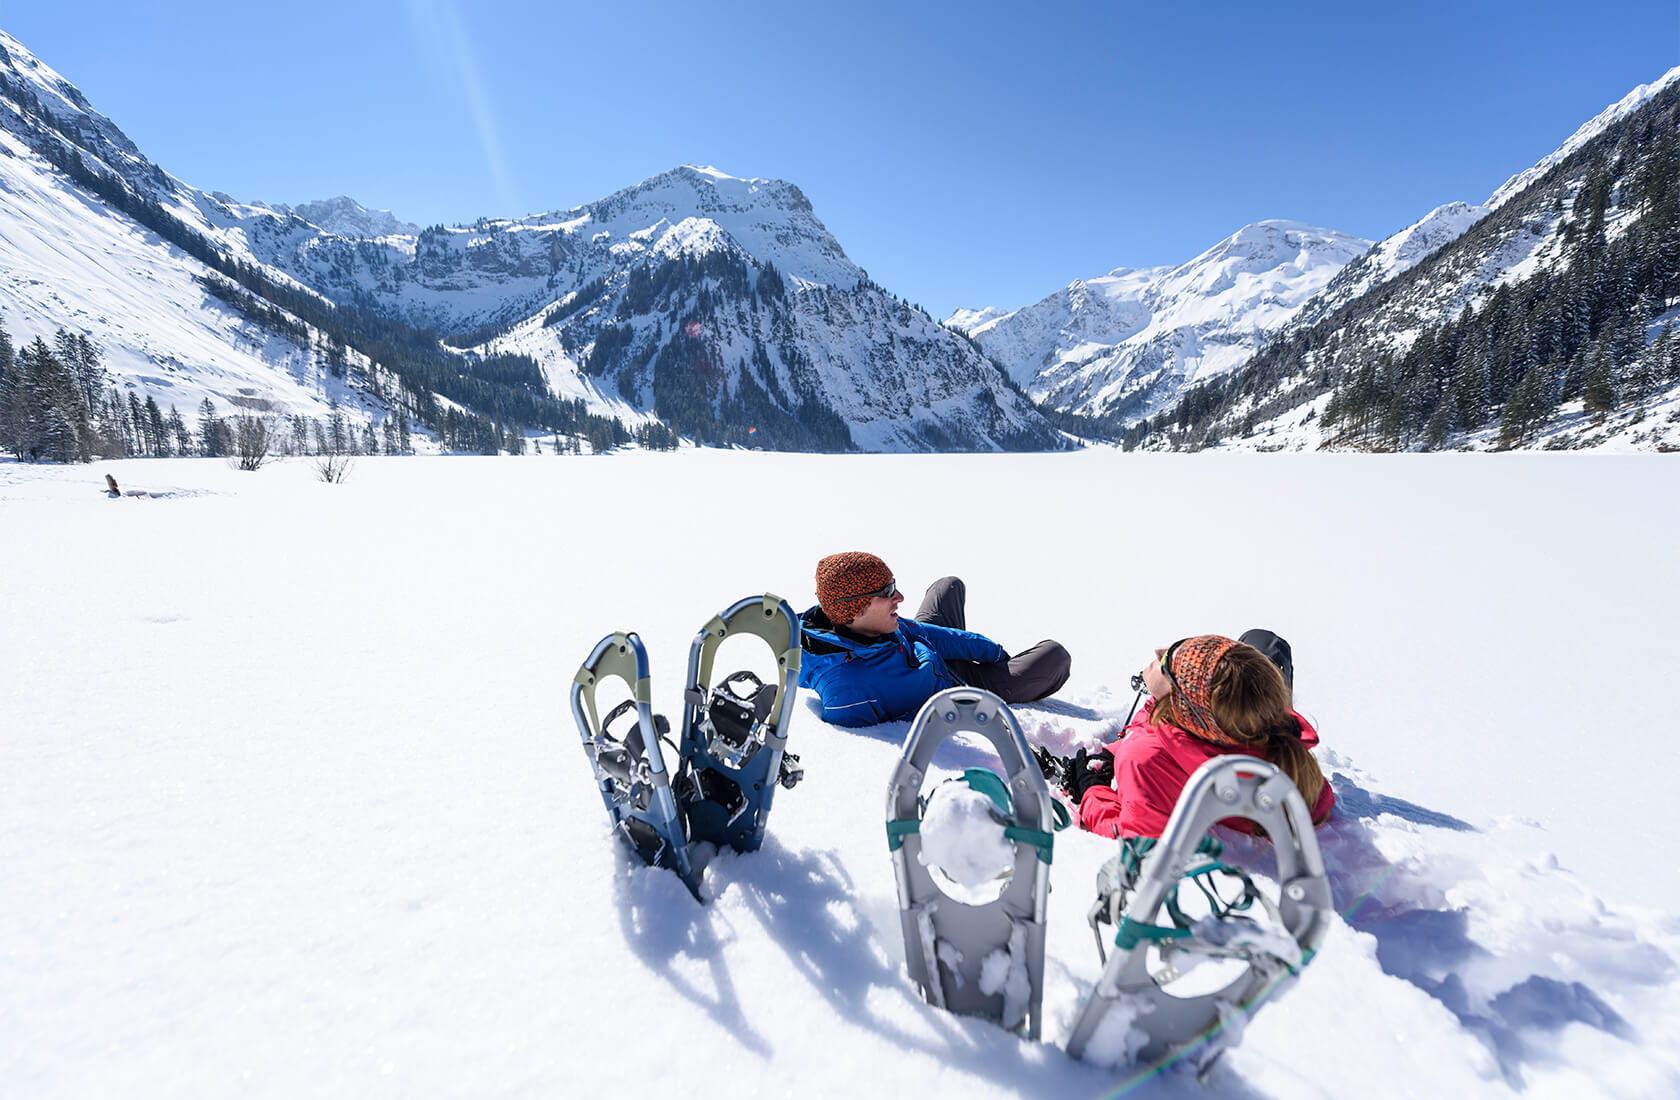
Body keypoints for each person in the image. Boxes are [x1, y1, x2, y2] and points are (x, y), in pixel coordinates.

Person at [1061, 632, 1334, 838]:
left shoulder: (1143, 758)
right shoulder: (1264, 721)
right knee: (1261, 641)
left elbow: (1133, 838)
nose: (1158, 651)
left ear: (1177, 702)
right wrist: (1113, 751)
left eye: (1167, 660)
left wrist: (1092, 790)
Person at [797, 551, 1071, 727]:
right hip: (958, 689)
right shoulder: (848, 690)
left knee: (948, 585)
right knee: (1054, 657)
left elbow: (923, 632)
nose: (900, 597)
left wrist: (993, 652)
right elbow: (888, 738)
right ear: (856, 609)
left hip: (932, 656)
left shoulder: (874, 625)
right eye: (888, 590)